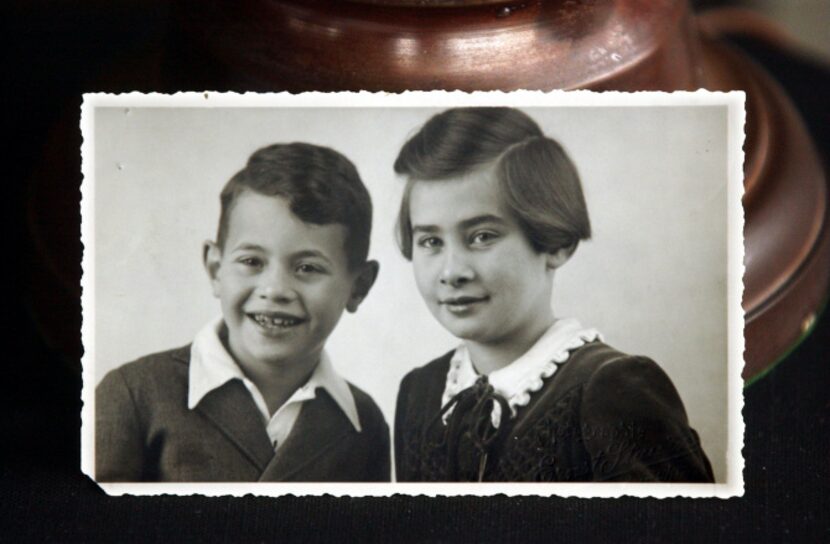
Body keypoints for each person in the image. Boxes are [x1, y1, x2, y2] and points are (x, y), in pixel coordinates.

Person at [393, 107, 714, 482]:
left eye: (482, 236)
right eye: (430, 241)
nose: (451, 272)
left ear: (556, 241)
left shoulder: (613, 390)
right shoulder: (420, 393)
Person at [95, 142, 390, 482]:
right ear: (215, 269)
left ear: (359, 286)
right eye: (252, 262)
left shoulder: (365, 424)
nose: (276, 290)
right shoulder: (133, 395)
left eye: (308, 268)